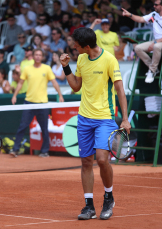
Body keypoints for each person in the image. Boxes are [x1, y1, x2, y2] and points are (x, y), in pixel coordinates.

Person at [60, 27, 130, 220]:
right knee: (86, 162)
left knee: (101, 159)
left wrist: (124, 118)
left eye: (76, 45)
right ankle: (89, 206)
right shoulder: (81, 59)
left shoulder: (109, 59)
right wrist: (65, 66)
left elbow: (120, 90)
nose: (74, 47)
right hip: (84, 118)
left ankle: (108, 197)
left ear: (87, 46)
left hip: (105, 118)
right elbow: (75, 87)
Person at [9, 48, 65, 158]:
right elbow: (20, 83)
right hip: (29, 102)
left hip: (42, 103)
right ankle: (15, 149)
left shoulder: (47, 68)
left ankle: (45, 151)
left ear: (42, 57)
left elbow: (54, 82)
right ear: (33, 56)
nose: (38, 56)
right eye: (36, 54)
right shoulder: (27, 69)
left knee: (44, 128)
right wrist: (14, 95)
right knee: (22, 126)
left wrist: (60, 95)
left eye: (40, 55)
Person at [122, 0, 162, 83]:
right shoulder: (154, 14)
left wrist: (155, 43)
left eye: (156, 4)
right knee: (138, 48)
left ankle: (151, 71)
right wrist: (129, 15)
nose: (153, 6)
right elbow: (140, 19)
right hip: (157, 41)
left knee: (156, 46)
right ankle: (154, 69)